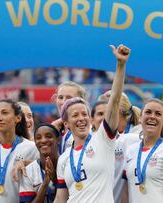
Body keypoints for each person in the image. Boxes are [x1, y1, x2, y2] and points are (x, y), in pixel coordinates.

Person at [53, 44, 129, 203]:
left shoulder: (102, 140)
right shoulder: (64, 158)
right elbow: (60, 198)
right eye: (75, 115)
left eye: (84, 114)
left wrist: (120, 65)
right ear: (66, 123)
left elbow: (114, 100)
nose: (81, 118)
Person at [121, 99, 163, 203]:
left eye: (158, 114)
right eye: (148, 112)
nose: (152, 116)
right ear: (141, 118)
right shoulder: (130, 150)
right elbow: (125, 193)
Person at [19, 123, 60, 203]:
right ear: (35, 142)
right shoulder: (28, 171)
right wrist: (44, 184)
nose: (43, 140)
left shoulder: (67, 164)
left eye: (48, 136)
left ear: (58, 140)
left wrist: (55, 180)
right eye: (38, 138)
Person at [52, 81, 87, 154]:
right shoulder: (56, 129)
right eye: (60, 97)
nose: (63, 102)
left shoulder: (85, 129)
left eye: (69, 98)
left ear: (80, 101)